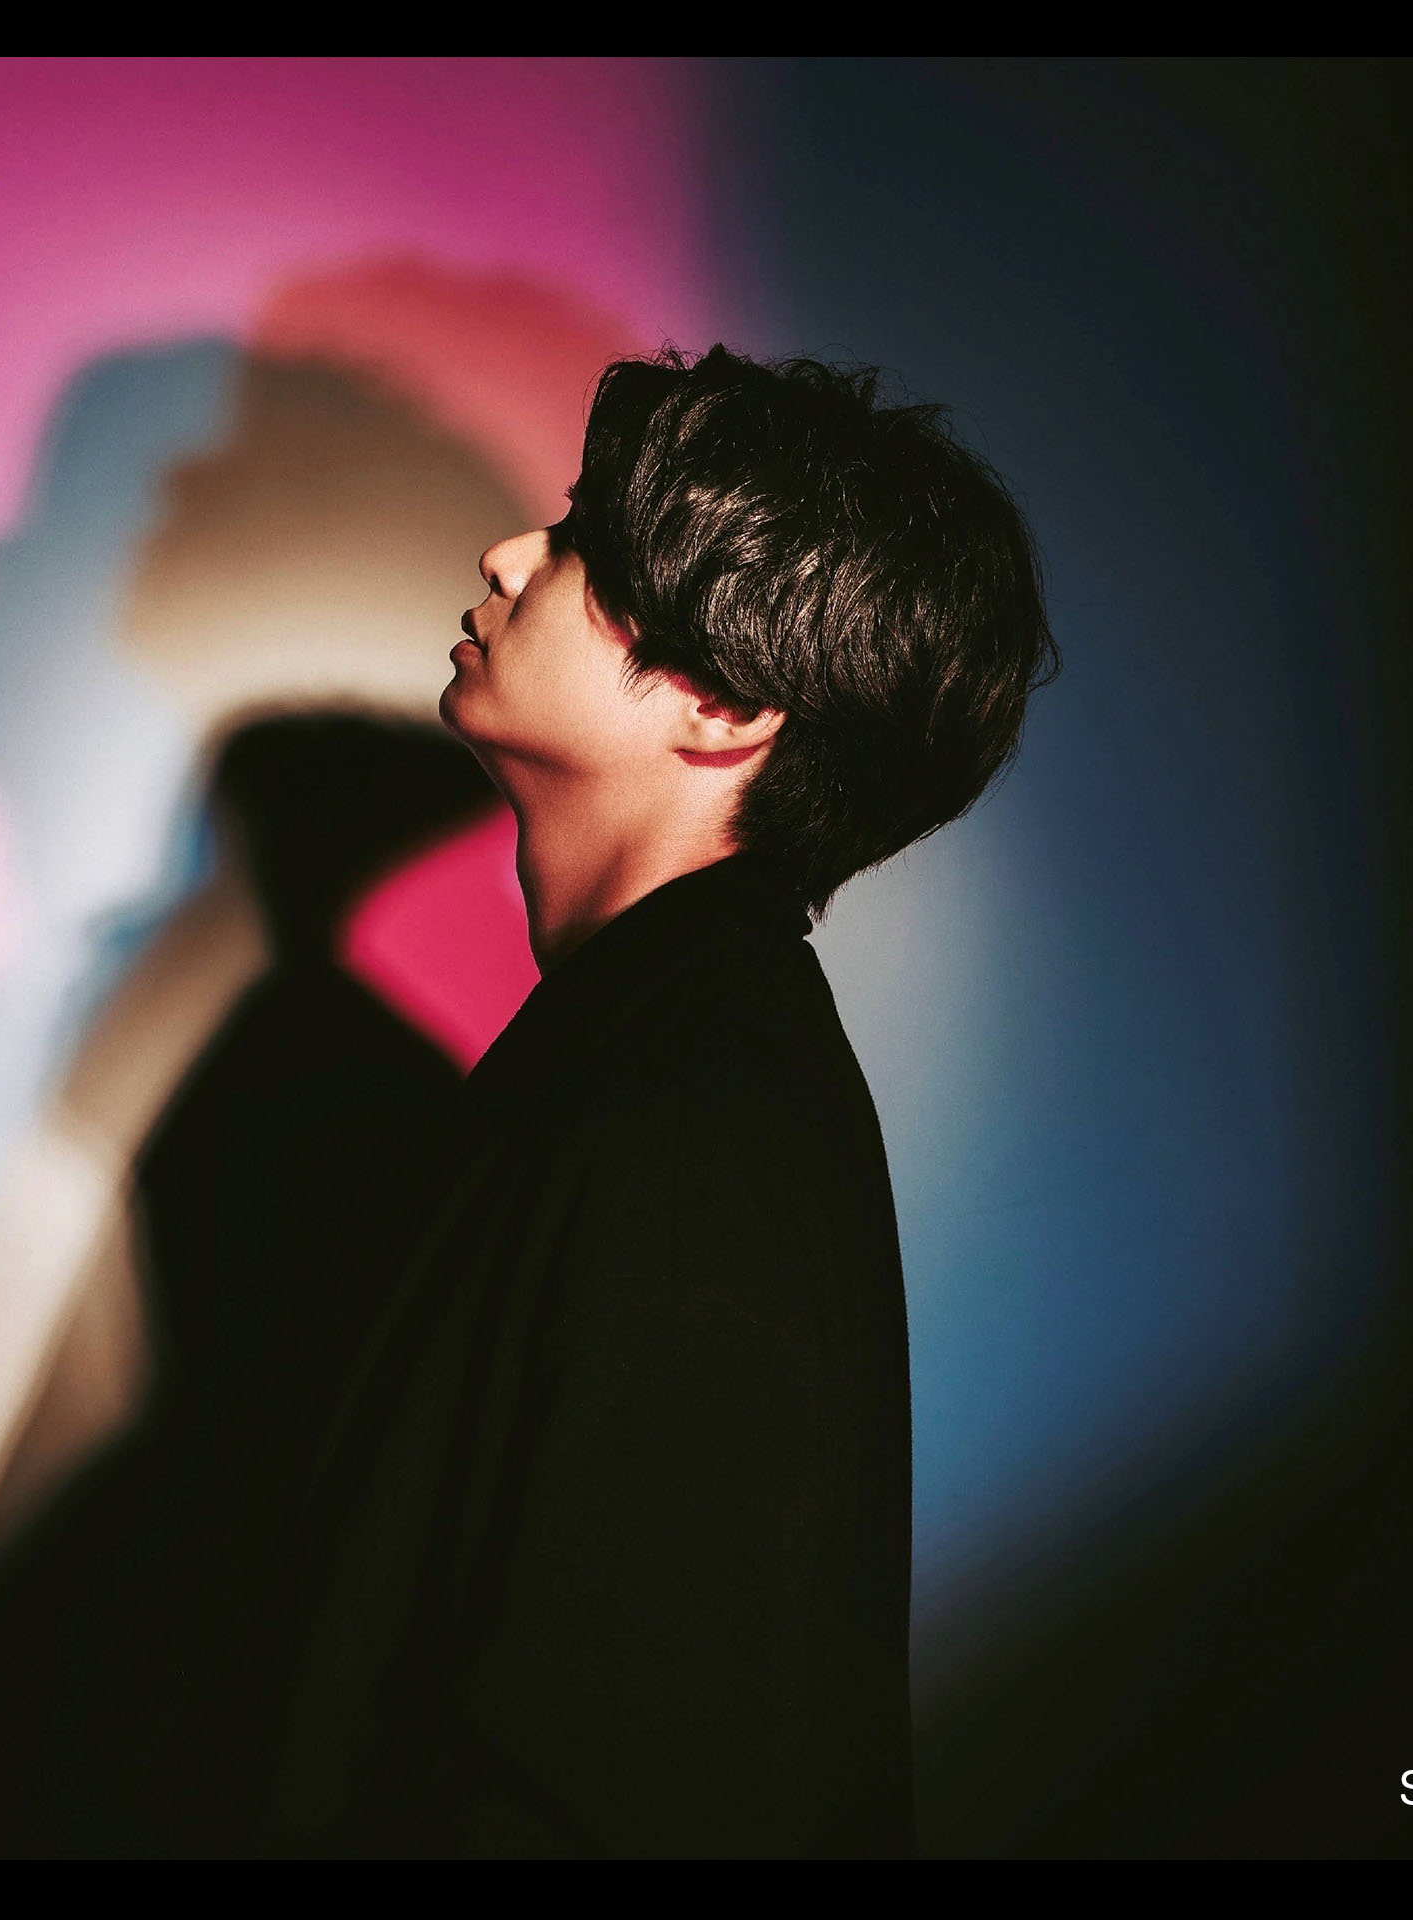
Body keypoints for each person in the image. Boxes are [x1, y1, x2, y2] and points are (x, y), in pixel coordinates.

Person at [258, 343, 1058, 1857]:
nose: (508, 557)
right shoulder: (656, 1063)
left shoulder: (692, 1127)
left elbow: (628, 1769)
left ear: (726, 703)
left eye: (582, 545)